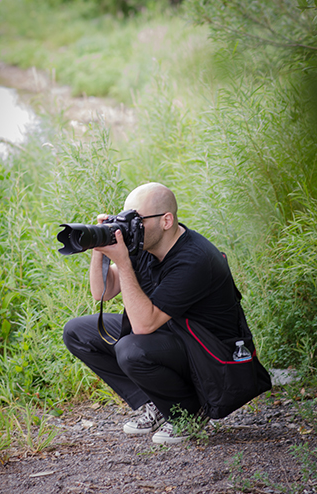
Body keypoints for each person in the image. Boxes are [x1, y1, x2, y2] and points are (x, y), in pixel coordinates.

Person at [63, 182, 242, 444]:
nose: (130, 228)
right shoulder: (145, 244)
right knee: (78, 332)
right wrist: (99, 248)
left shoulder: (194, 258)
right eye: (126, 219)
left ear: (166, 220)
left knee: (131, 349)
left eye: (137, 220)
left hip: (211, 353)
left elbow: (144, 326)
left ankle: (189, 413)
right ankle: (158, 403)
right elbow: (102, 292)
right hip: (174, 334)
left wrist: (122, 261)